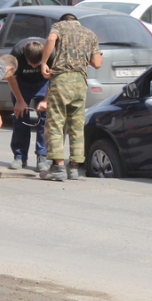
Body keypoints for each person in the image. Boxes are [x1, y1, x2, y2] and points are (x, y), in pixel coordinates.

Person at [39, 13, 102, 181]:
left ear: (63, 21)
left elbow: (51, 40)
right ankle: (74, 168)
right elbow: (97, 63)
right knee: (76, 125)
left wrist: (44, 62)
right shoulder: (90, 34)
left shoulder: (59, 27)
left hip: (61, 79)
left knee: (55, 122)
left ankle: (58, 167)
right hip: (80, 82)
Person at [6, 38, 53, 172]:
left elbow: (54, 78)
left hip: (43, 83)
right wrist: (20, 100)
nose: (33, 67)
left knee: (45, 119)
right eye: (30, 64)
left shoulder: (51, 53)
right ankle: (20, 156)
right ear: (25, 57)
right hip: (22, 82)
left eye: (37, 65)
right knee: (20, 117)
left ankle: (42, 156)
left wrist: (45, 100)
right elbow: (11, 77)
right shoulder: (16, 53)